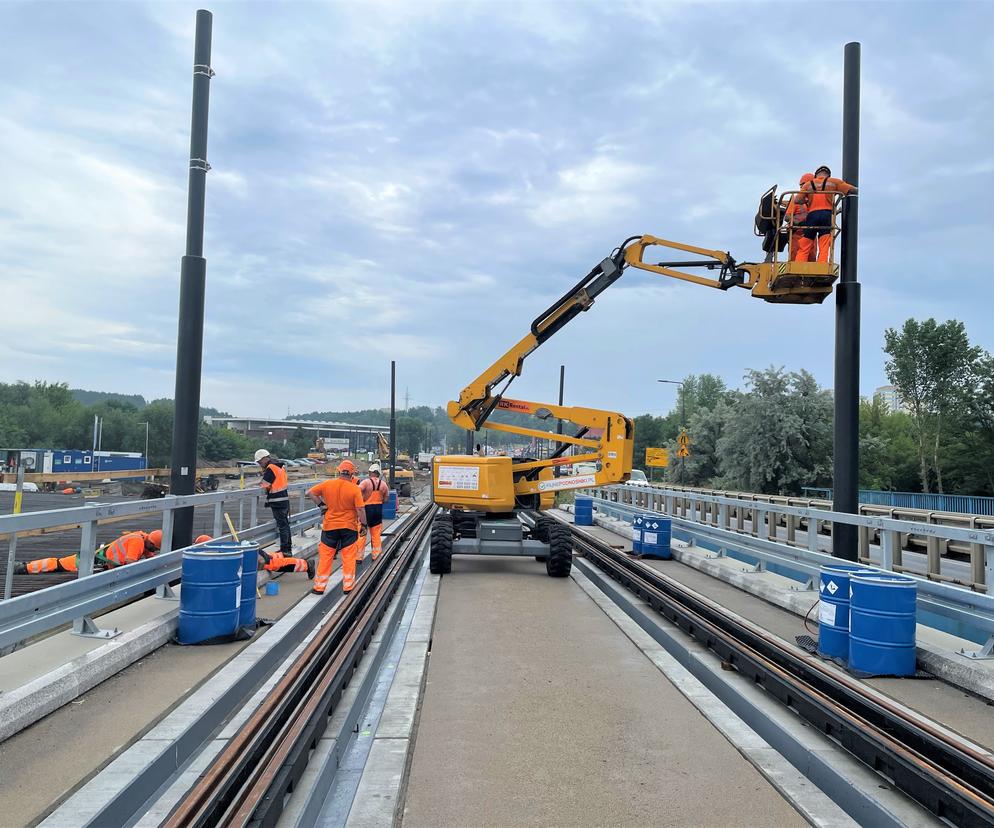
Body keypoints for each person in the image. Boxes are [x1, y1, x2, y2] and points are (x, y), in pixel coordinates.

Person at [307, 460, 367, 595]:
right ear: (352, 474)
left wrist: (322, 505)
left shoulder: (328, 484)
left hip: (329, 527)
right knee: (349, 557)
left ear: (339, 471)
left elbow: (310, 493)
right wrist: (363, 524)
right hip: (349, 527)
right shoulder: (354, 489)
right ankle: (348, 587)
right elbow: (360, 509)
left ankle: (319, 587)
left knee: (326, 557)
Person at [17, 529, 163, 574]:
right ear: (151, 543)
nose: (154, 551)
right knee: (60, 564)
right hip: (98, 560)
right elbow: (131, 563)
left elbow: (151, 558)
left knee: (63, 564)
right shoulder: (138, 542)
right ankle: (25, 568)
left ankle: (26, 567)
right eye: (155, 548)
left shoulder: (145, 539)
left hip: (103, 560)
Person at [796, 165, 858, 263]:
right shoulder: (834, 182)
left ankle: (799, 265)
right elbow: (853, 190)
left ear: (816, 175)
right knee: (824, 243)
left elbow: (797, 200)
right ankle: (822, 265)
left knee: (806, 243)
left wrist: (807, 199)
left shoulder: (808, 184)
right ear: (828, 175)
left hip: (812, 216)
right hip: (826, 215)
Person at [255, 449, 293, 558]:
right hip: (283, 499)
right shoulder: (279, 466)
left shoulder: (271, 468)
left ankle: (285, 550)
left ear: (265, 458)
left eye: (260, 462)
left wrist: (261, 483)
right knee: (285, 525)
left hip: (277, 501)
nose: (259, 464)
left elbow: (265, 484)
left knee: (282, 526)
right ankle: (287, 548)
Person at [358, 463, 390, 561]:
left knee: (362, 534)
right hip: (377, 510)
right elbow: (386, 499)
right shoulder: (383, 484)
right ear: (378, 473)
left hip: (366, 510)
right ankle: (376, 555)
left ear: (370, 472)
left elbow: (356, 492)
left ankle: (358, 557)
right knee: (376, 535)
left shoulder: (366, 482)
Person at [787, 173, 814, 262]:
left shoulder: (815, 200)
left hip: (811, 235)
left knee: (811, 260)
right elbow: (787, 217)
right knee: (795, 259)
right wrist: (799, 221)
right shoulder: (796, 199)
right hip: (797, 235)